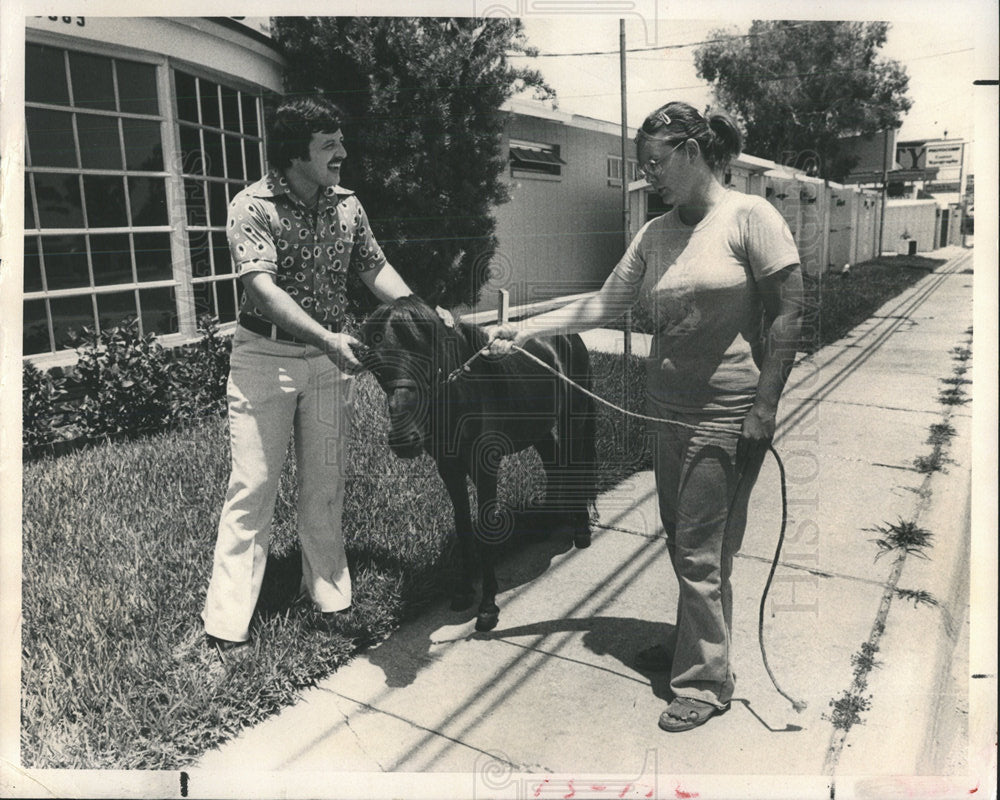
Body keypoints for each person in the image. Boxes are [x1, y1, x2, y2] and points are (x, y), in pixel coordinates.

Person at [487, 101, 803, 731]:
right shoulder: (656, 233)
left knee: (701, 552)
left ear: (692, 152)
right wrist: (524, 330)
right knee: (681, 538)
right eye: (642, 165)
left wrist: (765, 406)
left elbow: (789, 311)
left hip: (725, 410)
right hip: (666, 409)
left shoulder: (751, 217)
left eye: (656, 163)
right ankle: (695, 644)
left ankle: (706, 682)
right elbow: (604, 304)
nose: (648, 176)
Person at [201, 94, 412, 653]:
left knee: (324, 483)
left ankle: (329, 596)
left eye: (339, 141)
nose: (342, 152)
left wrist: (421, 315)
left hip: (325, 363)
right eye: (328, 145)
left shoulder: (347, 205)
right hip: (264, 360)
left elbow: (376, 269)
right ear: (296, 155)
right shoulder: (253, 206)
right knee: (253, 487)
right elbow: (262, 291)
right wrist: (325, 337)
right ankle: (225, 628)